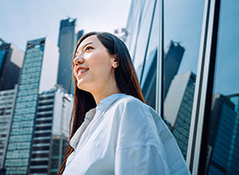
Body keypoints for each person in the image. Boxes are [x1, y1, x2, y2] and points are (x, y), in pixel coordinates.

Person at [58, 32, 190, 175]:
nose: (76, 60)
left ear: (115, 60)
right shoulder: (84, 132)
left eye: (88, 49)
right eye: (76, 55)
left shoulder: (128, 108)